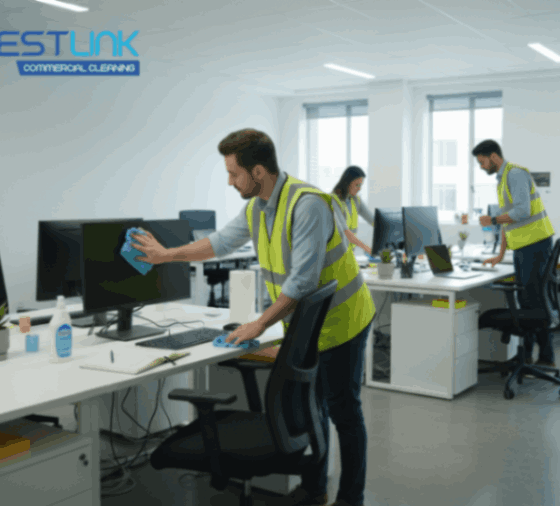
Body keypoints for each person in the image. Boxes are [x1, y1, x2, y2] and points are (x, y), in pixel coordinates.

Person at [130, 129, 376, 506]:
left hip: (344, 321)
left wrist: (259, 324)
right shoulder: (257, 207)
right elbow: (219, 243)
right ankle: (315, 488)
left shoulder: (308, 204)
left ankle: (350, 498)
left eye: (234, 174)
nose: (230, 182)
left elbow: (303, 281)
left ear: (258, 171)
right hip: (308, 326)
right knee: (314, 409)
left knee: (343, 411)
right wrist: (167, 255)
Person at [474, 139, 557, 367]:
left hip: (535, 244)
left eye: (482, 162)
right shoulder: (502, 180)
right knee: (526, 300)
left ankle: (546, 358)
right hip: (524, 247)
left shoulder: (515, 174)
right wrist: (500, 255)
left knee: (534, 301)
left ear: (493, 156)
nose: (481, 167)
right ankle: (527, 355)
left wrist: (491, 219)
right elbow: (507, 224)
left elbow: (522, 211)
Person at [330, 166, 374, 255]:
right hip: (336, 253)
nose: (359, 188)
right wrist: (367, 248)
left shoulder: (356, 200)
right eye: (357, 185)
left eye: (361, 185)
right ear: (347, 183)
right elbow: (345, 232)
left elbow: (373, 220)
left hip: (349, 253)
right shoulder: (334, 200)